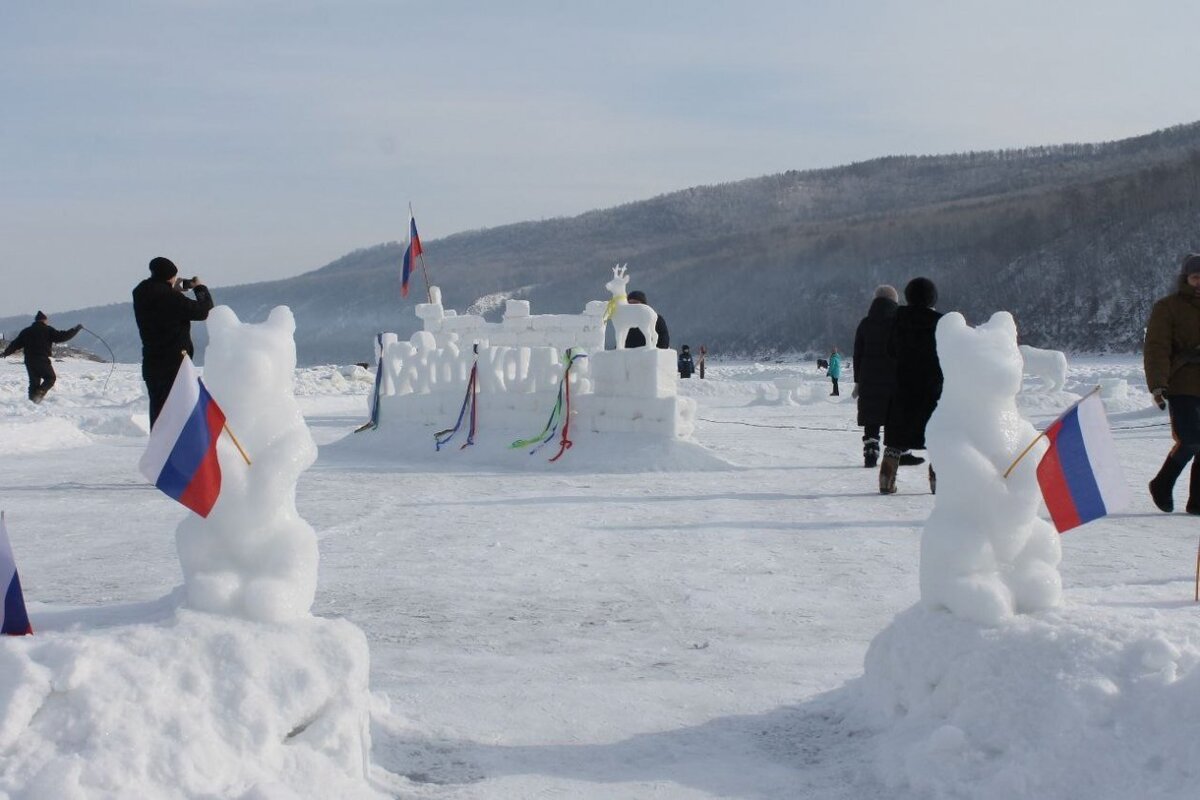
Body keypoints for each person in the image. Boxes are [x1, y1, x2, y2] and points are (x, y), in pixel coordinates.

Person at [1145, 253, 1200, 513]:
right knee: (1191, 439)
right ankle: (1162, 483)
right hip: (1182, 385)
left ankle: (1197, 502)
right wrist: (1158, 384)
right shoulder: (1167, 307)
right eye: (1196, 277)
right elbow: (1157, 347)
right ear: (1186, 279)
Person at [132, 256, 214, 427]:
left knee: (160, 417)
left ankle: (160, 450)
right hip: (175, 365)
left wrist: (180, 285)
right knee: (178, 418)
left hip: (152, 364)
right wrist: (199, 288)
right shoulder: (170, 298)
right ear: (171, 277)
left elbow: (160, 286)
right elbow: (205, 310)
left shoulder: (141, 292)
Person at [880, 277, 943, 495]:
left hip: (902, 386)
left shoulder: (897, 320)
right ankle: (939, 482)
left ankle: (886, 479)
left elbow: (890, 351)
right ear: (932, 298)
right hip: (933, 389)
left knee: (895, 440)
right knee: (938, 438)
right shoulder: (941, 322)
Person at [853, 285, 899, 467]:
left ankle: (870, 449)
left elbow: (858, 354)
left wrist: (858, 380)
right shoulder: (900, 322)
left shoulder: (865, 323)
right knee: (894, 417)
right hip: (894, 379)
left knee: (871, 417)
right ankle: (893, 456)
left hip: (869, 379)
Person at [1, 311, 82, 403]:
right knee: (50, 378)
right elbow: (62, 336)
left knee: (34, 382)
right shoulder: (48, 330)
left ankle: (32, 402)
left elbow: (15, 344)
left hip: (29, 360)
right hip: (41, 359)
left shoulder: (26, 331)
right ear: (44, 320)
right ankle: (39, 393)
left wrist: (5, 353)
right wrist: (76, 329)